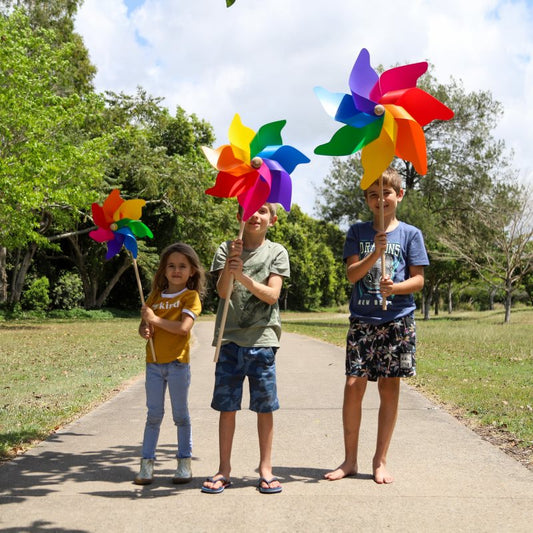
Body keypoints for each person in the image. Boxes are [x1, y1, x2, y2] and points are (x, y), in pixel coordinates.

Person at [325, 167, 429, 484]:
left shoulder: (411, 234)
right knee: (353, 386)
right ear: (367, 200)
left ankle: (380, 460)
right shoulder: (357, 232)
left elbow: (419, 280)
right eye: (373, 194)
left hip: (397, 321)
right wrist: (376, 254)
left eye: (385, 192)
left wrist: (394, 289)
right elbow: (352, 274)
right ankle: (349, 460)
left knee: (389, 388)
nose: (379, 198)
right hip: (363, 321)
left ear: (399, 195)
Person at [201, 203, 290, 494]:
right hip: (229, 340)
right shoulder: (227, 248)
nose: (255, 214)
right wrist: (231, 266)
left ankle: (265, 469)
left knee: (265, 407)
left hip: (262, 341)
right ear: (239, 215)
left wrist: (244, 277)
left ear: (272, 220)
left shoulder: (277, 252)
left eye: (262, 210)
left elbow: (272, 295)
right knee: (227, 407)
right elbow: (223, 292)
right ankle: (223, 469)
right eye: (248, 208)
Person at [134, 243, 205, 485]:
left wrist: (155, 319)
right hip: (153, 364)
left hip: (177, 365)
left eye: (182, 266)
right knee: (153, 415)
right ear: (164, 270)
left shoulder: (190, 297)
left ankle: (184, 463)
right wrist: (145, 327)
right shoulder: (154, 297)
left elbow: (183, 328)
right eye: (171, 266)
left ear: (192, 271)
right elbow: (146, 327)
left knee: (180, 415)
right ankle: (146, 465)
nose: (176, 270)